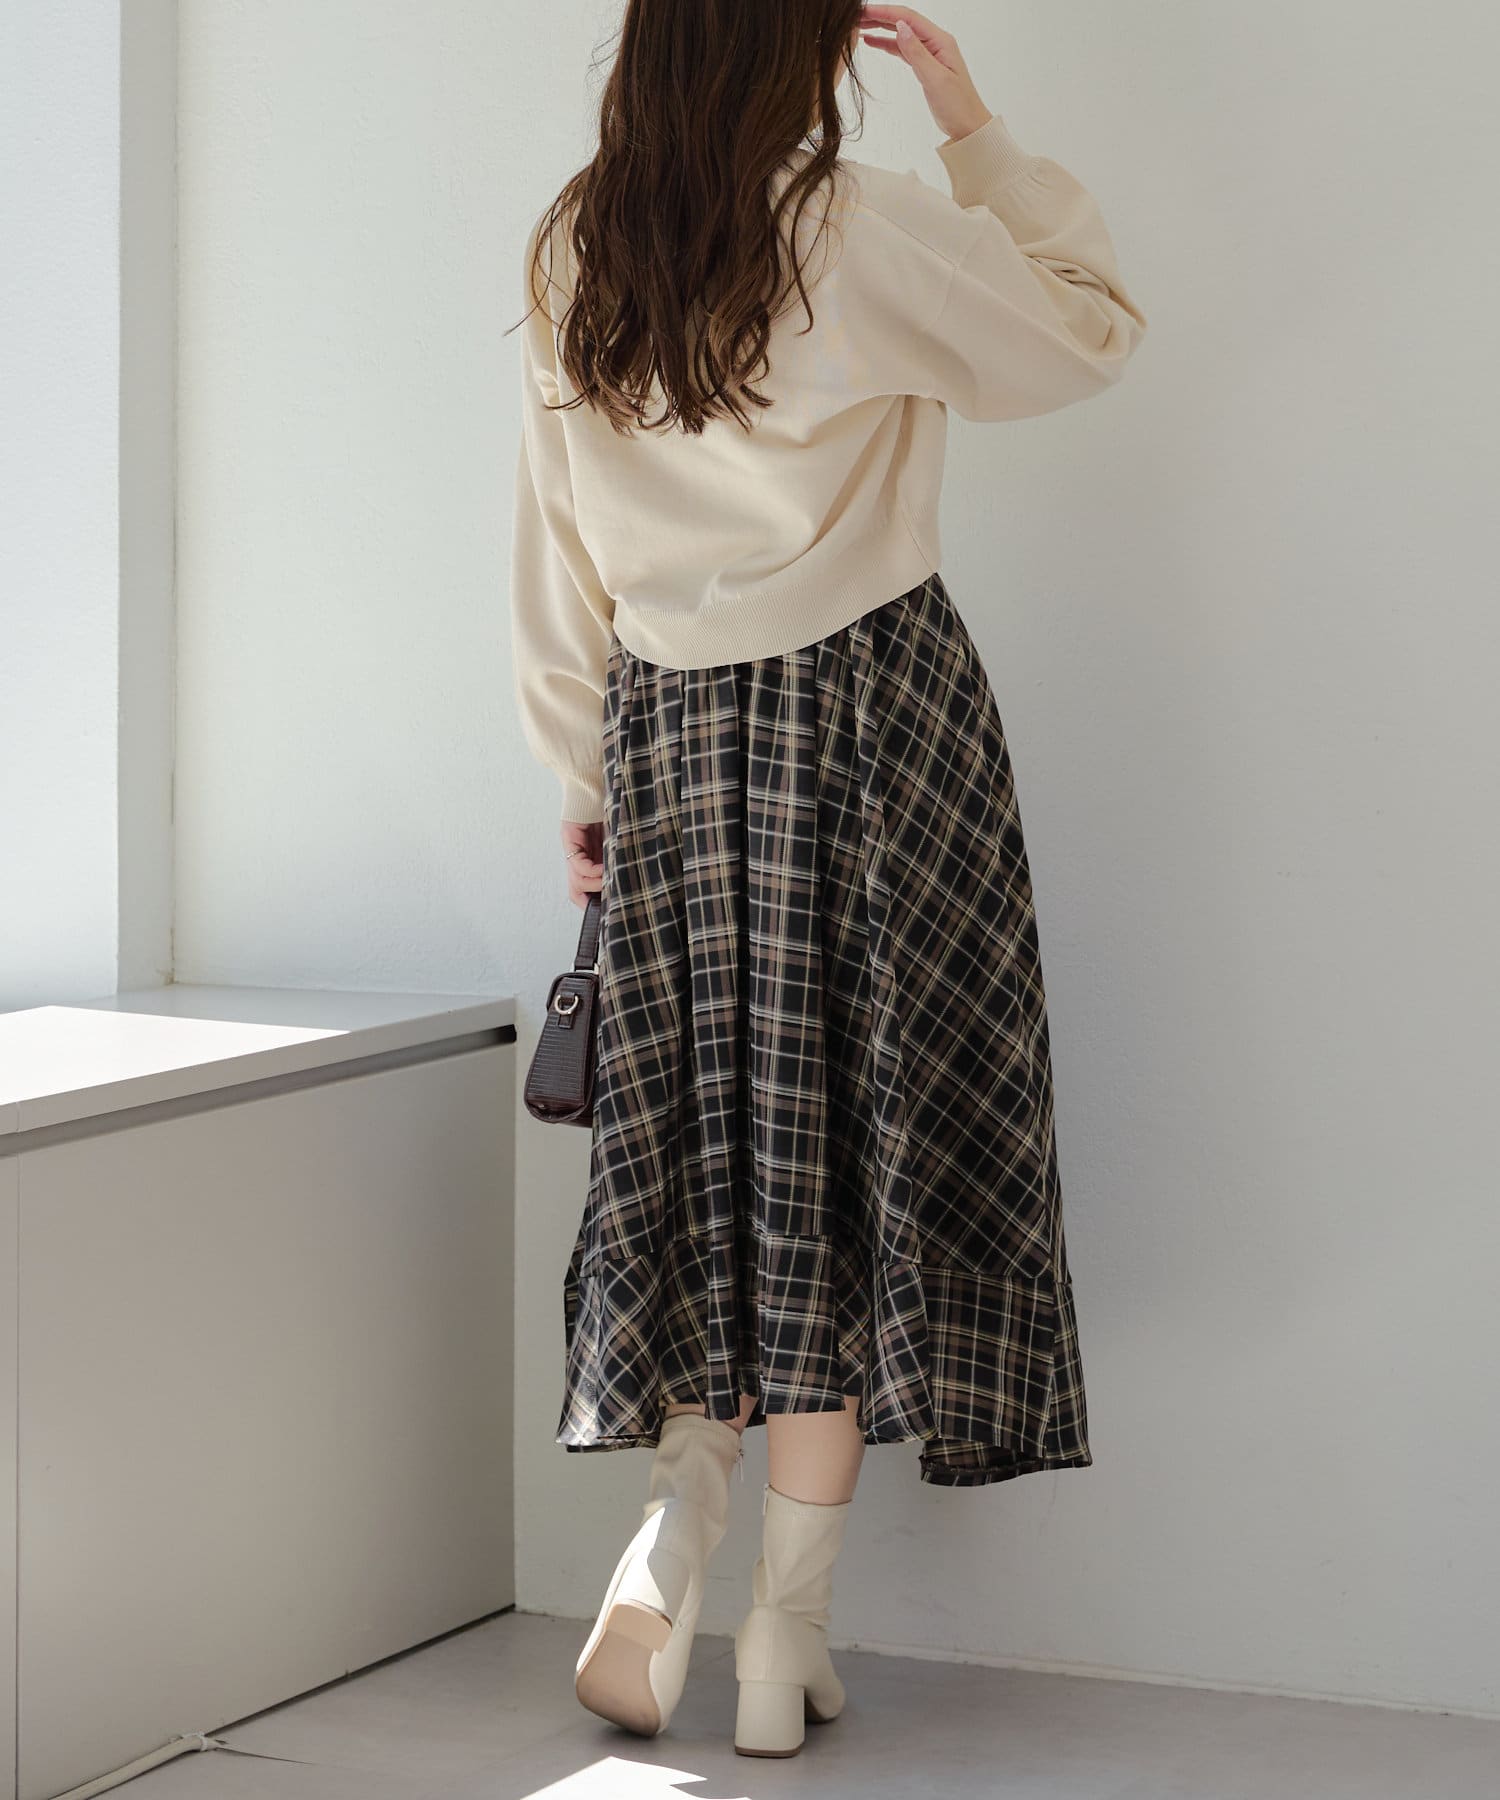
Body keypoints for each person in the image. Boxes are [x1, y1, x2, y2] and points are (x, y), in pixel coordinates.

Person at [507, 0, 1147, 1760]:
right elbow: (1088, 331)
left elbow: (553, 534)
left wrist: (582, 772)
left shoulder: (579, 239)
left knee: (710, 1146)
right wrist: (972, 122)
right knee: (850, 1157)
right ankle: (782, 1641)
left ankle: (672, 1539)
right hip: (872, 719)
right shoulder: (852, 225)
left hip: (665, 734)